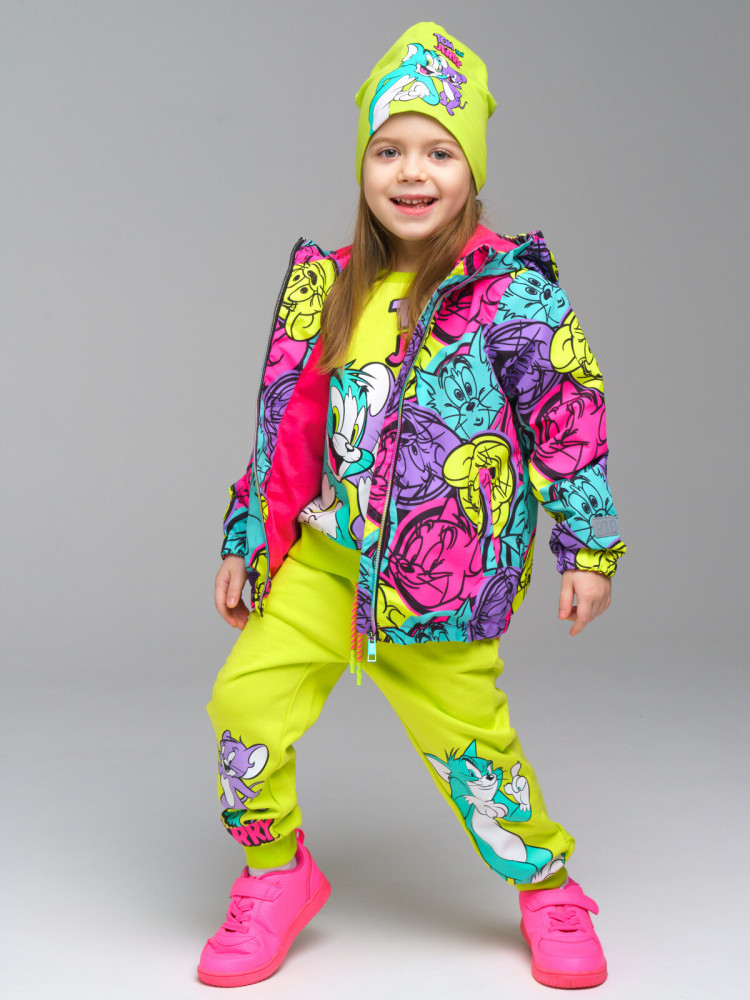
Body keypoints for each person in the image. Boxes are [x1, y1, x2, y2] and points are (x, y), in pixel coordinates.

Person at [197, 22, 625, 991]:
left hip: (440, 587)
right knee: (243, 703)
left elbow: (569, 419)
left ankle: (548, 887)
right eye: (389, 151)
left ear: (471, 168)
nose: (413, 173)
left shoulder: (512, 295)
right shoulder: (329, 287)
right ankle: (276, 871)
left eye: (440, 151)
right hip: (321, 564)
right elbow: (284, 433)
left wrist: (588, 548)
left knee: (474, 755)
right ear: (363, 167)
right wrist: (243, 537)